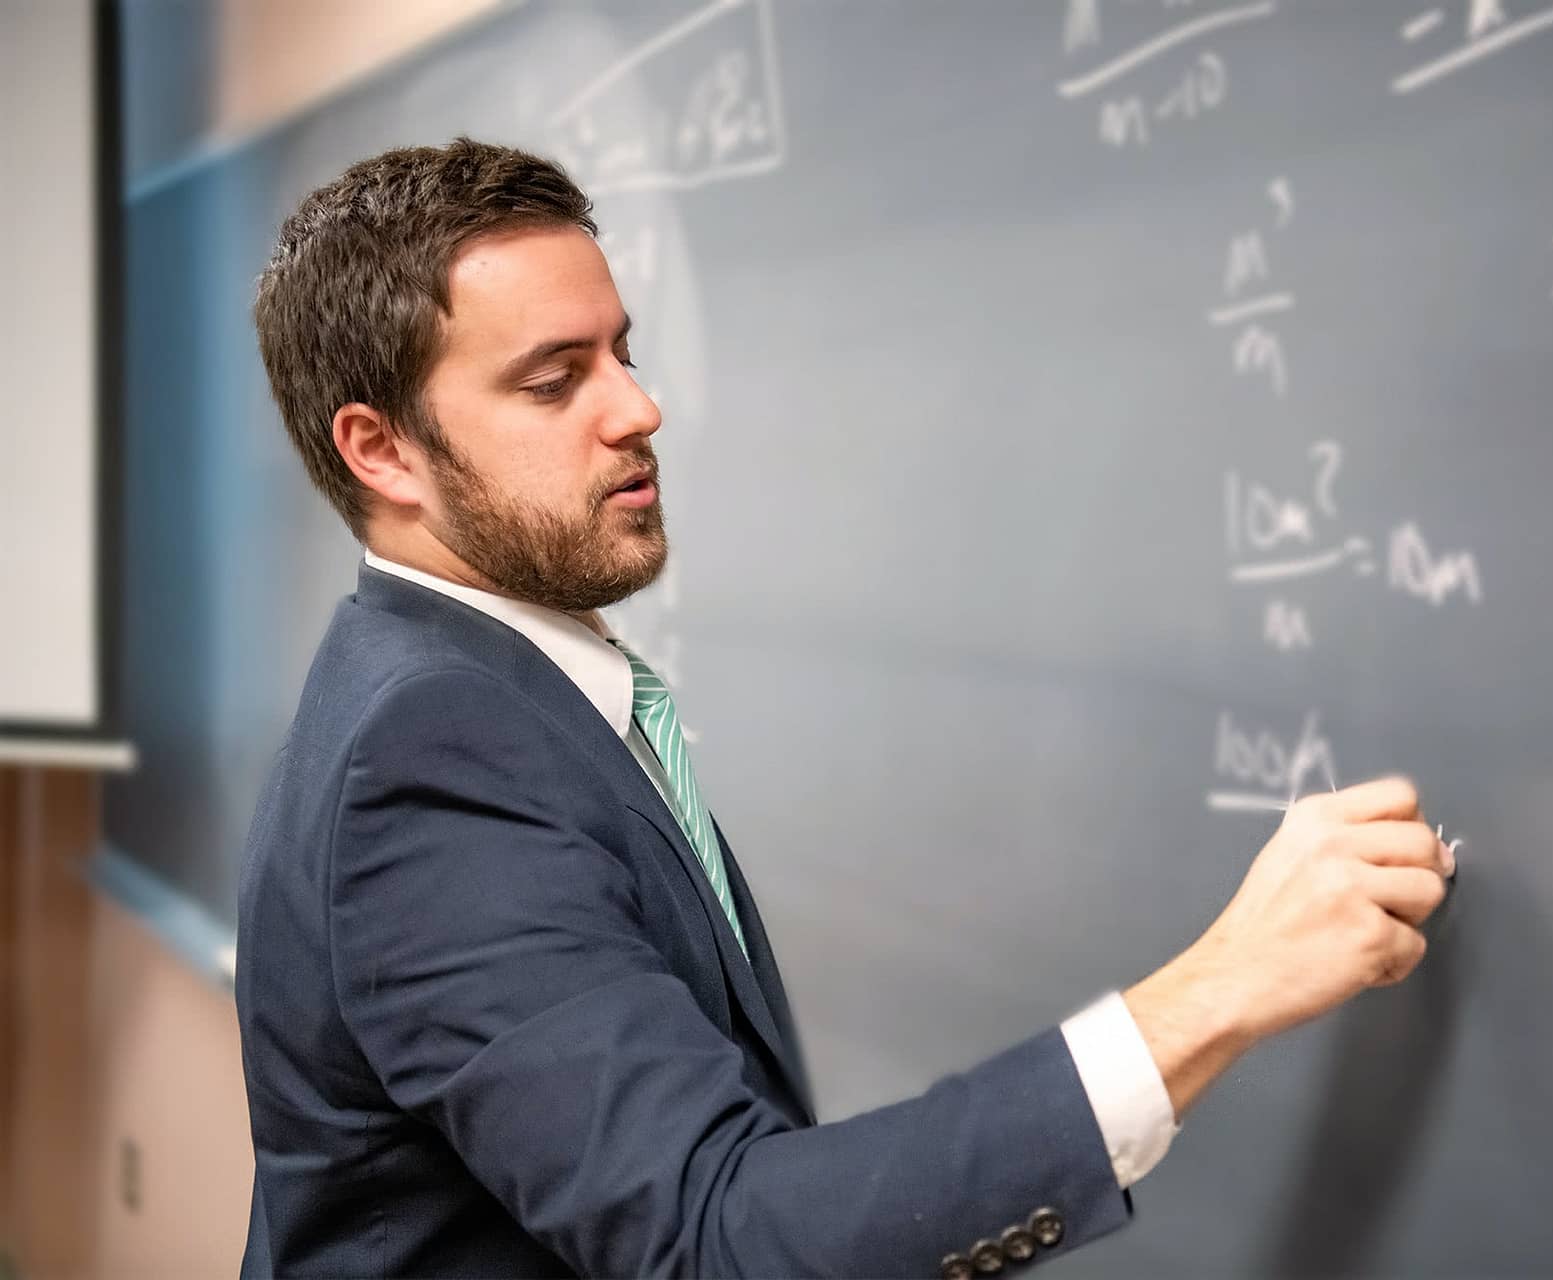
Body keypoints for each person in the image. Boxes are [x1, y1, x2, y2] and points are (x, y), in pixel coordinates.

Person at [235, 137, 1456, 1279]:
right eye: (555, 380)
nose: (635, 408)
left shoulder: (465, 686)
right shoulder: (432, 754)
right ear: (382, 451)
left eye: (623, 350)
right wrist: (1221, 987)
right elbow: (712, 1229)